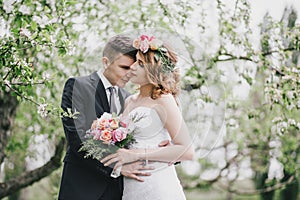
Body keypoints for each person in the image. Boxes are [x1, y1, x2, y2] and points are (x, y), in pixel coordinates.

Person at [58, 35, 155, 200]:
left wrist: (159, 150)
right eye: (124, 67)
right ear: (105, 62)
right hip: (82, 187)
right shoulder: (78, 86)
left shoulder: (129, 98)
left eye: (132, 69)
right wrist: (116, 168)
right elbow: (77, 139)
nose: (129, 75)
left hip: (117, 192)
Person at [101, 35, 194, 200]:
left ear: (154, 71)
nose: (133, 67)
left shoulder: (163, 100)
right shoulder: (129, 100)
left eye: (141, 64)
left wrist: (136, 155)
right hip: (132, 188)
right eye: (136, 61)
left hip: (157, 185)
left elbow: (187, 151)